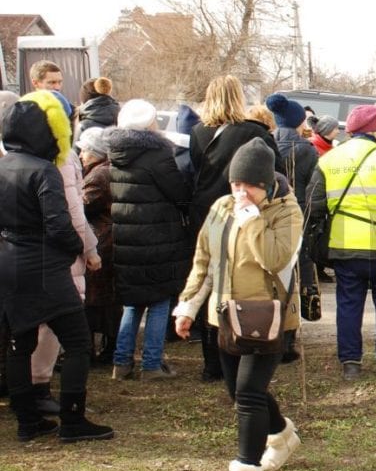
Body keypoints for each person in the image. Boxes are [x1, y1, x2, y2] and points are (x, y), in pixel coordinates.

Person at [174, 138, 303, 471]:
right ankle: (281, 434)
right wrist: (188, 306)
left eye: (249, 185)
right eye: (235, 185)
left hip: (268, 318)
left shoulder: (286, 212)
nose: (241, 192)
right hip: (225, 317)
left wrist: (252, 220)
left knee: (247, 394)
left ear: (266, 183)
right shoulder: (219, 208)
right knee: (240, 391)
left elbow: (274, 258)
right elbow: (205, 261)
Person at [0, 95, 114, 442]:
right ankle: (73, 420)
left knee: (21, 341)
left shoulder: (3, 166)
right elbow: (59, 225)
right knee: (78, 342)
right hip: (45, 267)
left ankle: (27, 423)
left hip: (8, 263)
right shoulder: (44, 169)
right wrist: (75, 251)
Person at [307, 105, 376, 381]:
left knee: (348, 304)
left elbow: (313, 206)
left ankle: (351, 363)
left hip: (345, 246)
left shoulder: (329, 161)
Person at [189, 75, 283, 382]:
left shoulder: (197, 132)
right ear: (238, 97)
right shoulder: (253, 132)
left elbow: (194, 172)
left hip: (208, 211)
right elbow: (276, 173)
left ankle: (212, 361)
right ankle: (249, 342)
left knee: (211, 281)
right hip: (246, 210)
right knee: (248, 279)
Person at [106, 99, 192, 380]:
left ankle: (122, 362)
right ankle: (152, 363)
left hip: (126, 237)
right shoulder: (158, 154)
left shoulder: (115, 153)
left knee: (132, 302)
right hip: (158, 237)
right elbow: (177, 191)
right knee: (159, 300)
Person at [265, 93, 320, 363]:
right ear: (299, 121)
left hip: (269, 216)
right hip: (297, 215)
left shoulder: (266, 144)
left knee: (273, 276)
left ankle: (272, 332)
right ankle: (288, 338)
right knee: (295, 277)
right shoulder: (307, 149)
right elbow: (313, 187)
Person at [76, 126, 120, 366]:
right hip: (110, 239)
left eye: (84, 151)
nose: (81, 155)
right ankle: (110, 347)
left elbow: (81, 207)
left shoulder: (97, 176)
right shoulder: (109, 170)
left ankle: (92, 349)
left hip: (100, 240)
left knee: (94, 300)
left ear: (95, 152)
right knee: (109, 300)